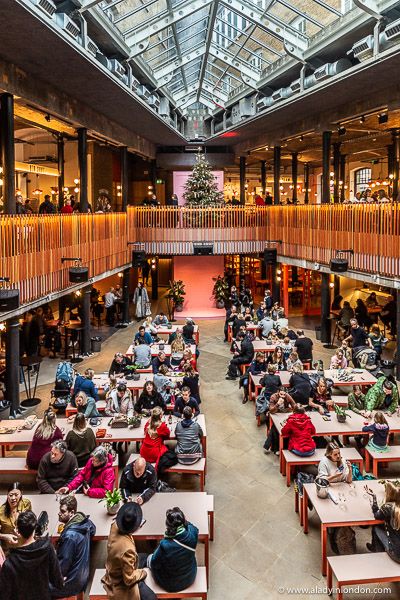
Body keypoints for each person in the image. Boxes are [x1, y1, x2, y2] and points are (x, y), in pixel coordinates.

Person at [0, 510, 63, 600]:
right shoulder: (48, 548)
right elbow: (58, 583)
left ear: (17, 531)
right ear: (34, 529)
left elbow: (4, 595)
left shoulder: (10, 563)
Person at [102, 503, 155, 600]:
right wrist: (143, 573)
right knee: (151, 597)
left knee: (145, 556)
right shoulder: (127, 549)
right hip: (120, 581)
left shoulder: (114, 525)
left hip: (113, 563)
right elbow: (128, 579)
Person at [50, 495, 96, 599]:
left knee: (40, 587)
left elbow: (63, 566)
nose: (59, 513)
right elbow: (93, 529)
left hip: (73, 582)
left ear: (72, 513)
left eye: (63, 511)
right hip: (83, 573)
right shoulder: (84, 522)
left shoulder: (70, 536)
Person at [148, 507, 198, 593]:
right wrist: (184, 521)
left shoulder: (165, 545)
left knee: (148, 558)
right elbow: (191, 526)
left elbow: (154, 563)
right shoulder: (193, 532)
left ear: (168, 526)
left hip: (171, 585)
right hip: (190, 577)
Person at [365, 481, 400, 561]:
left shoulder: (388, 507)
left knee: (376, 527)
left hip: (396, 555)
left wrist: (374, 499)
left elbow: (377, 515)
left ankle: (377, 552)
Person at [0, 483, 32, 555]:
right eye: (10, 495)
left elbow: (30, 522)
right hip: (8, 550)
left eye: (16, 495)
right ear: (7, 495)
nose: (13, 498)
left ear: (21, 495)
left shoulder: (26, 504)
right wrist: (5, 536)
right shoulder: (1, 511)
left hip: (23, 548)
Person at [263, 388, 296, 453]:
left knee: (275, 428)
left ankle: (271, 447)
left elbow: (294, 405)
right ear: (278, 392)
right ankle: (275, 448)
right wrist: (278, 404)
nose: (282, 396)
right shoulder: (273, 397)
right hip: (275, 414)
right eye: (281, 394)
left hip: (284, 414)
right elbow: (271, 410)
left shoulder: (287, 396)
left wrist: (294, 409)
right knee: (275, 427)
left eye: (284, 394)